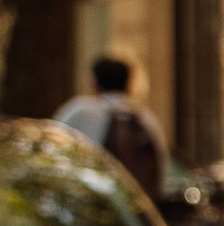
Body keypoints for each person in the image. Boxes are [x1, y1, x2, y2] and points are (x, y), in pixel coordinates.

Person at [55, 53, 167, 201]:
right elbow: (161, 166)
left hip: (88, 204)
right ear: (129, 84)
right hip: (134, 212)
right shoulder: (146, 118)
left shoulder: (79, 111)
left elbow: (52, 152)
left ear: (94, 83)